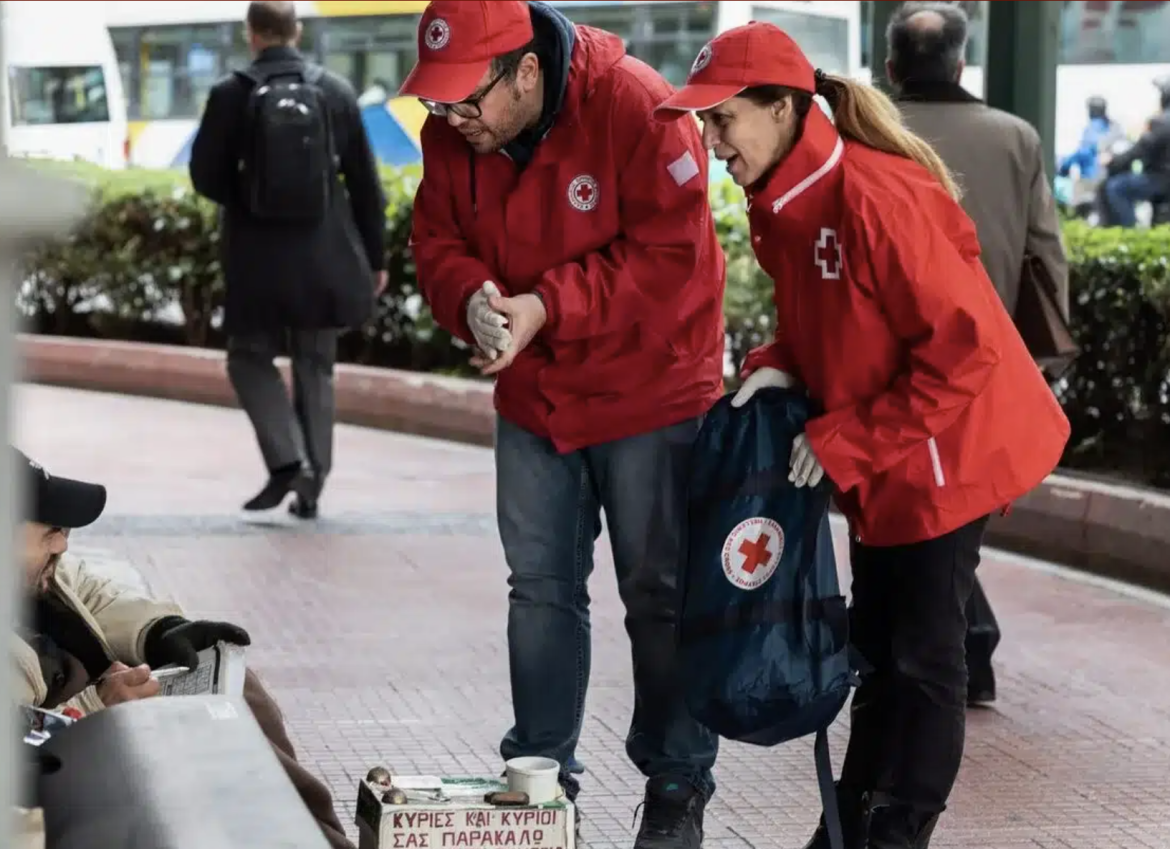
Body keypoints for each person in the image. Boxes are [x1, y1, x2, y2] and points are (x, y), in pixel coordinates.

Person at [654, 22, 1070, 849]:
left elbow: (966, 352)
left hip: (950, 449)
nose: (711, 141)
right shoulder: (783, 202)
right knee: (879, 651)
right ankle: (851, 825)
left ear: (780, 108)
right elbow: (825, 322)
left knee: (920, 662)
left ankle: (893, 830)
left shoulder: (878, 197)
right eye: (703, 122)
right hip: (894, 452)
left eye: (723, 119)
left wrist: (850, 439)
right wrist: (778, 362)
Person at [400, 1, 726, 846]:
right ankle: (542, 776)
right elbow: (434, 239)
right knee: (539, 588)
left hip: (650, 390)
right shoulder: (453, 132)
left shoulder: (634, 104)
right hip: (536, 396)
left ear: (528, 71)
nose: (451, 120)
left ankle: (678, 779)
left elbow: (672, 256)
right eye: (437, 104)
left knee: (659, 591)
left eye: (465, 101)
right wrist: (467, 297)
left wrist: (550, 304)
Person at [11, 447, 356, 849]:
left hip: (104, 715)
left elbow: (88, 588)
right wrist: (93, 710)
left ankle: (323, 839)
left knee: (235, 692)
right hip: (67, 776)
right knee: (213, 735)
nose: (61, 547)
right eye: (50, 532)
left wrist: (161, 631)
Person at [884, 0, 1071, 706]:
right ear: (963, 63)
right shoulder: (1016, 138)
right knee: (955, 510)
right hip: (982, 361)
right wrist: (1044, 367)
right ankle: (962, 642)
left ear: (892, 64)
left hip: (884, 364)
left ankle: (950, 646)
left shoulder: (867, 133)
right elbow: (1045, 258)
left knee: (909, 516)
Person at [190, 0, 388, 519]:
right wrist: (376, 256)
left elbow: (205, 178)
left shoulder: (230, 94)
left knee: (247, 358)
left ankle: (287, 457)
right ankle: (312, 485)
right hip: (324, 255)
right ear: (295, 31)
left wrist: (249, 194)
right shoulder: (335, 92)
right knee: (315, 365)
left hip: (255, 258)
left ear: (252, 34)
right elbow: (367, 185)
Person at [1099, 75, 1170, 227]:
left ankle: (1129, 233)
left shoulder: (1160, 122)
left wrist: (1113, 160)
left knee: (1116, 187)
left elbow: (1139, 150)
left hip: (1161, 179)